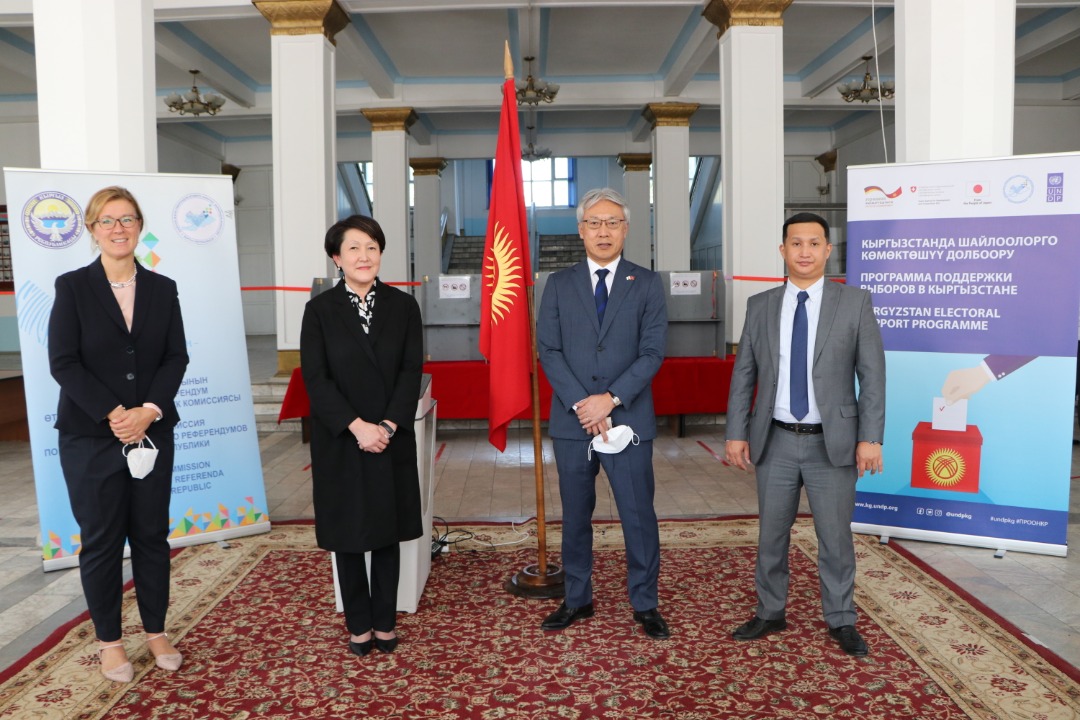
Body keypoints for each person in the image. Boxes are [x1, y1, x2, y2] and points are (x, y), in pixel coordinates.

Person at [725, 211, 885, 657]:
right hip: (775, 439)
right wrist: (736, 431)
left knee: (835, 537)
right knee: (771, 535)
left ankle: (841, 618)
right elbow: (744, 374)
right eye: (796, 243)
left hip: (831, 443)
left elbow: (872, 376)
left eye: (814, 243)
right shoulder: (760, 305)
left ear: (828, 250)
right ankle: (770, 611)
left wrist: (871, 437)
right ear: (783, 250)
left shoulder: (854, 302)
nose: (805, 252)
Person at [48, 186, 189, 683]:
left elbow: (176, 356)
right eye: (106, 220)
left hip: (151, 432)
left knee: (150, 535)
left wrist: (148, 411)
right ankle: (110, 642)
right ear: (92, 230)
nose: (118, 228)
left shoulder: (163, 288)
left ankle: (156, 631)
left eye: (127, 219)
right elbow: (63, 362)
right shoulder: (72, 287)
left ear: (140, 226)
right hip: (90, 436)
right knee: (102, 540)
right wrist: (115, 413)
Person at [536, 187, 670, 639]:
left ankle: (645, 603)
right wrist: (583, 403)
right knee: (576, 515)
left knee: (637, 513)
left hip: (628, 418)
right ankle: (577, 598)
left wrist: (609, 399)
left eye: (613, 222)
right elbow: (549, 350)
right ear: (581, 230)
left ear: (626, 229)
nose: (603, 231)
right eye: (594, 223)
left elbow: (652, 352)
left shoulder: (646, 283)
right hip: (573, 422)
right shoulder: (558, 284)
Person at [300, 214, 423, 657]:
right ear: (337, 257)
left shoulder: (403, 307)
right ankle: (358, 624)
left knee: (387, 530)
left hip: (390, 437)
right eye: (353, 248)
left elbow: (411, 370)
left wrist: (387, 425)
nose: (364, 256)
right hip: (342, 438)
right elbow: (316, 379)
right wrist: (357, 426)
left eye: (372, 247)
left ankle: (385, 621)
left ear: (381, 254)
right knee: (348, 533)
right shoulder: (319, 311)